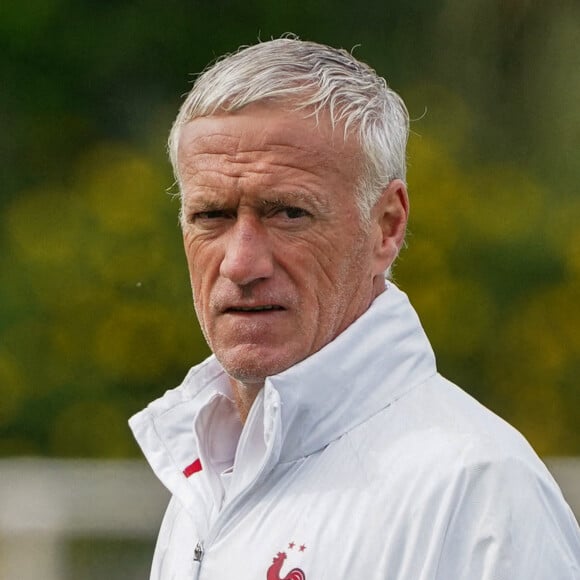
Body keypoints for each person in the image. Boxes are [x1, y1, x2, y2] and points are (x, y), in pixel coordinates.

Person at [129, 38, 580, 579]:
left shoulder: (476, 489)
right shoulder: (203, 481)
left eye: (289, 213)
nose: (240, 263)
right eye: (212, 216)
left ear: (387, 225)